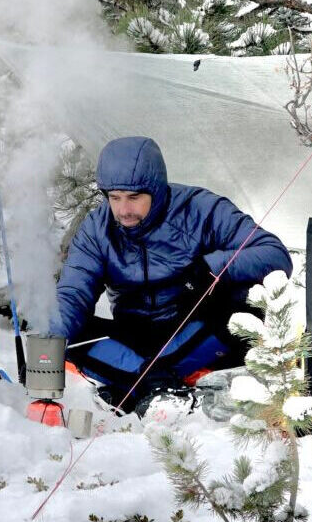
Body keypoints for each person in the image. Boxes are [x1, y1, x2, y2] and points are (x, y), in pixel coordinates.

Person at [49, 136, 292, 413]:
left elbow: (275, 254)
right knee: (69, 337)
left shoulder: (199, 209)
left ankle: (132, 380)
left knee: (244, 303)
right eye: (115, 198)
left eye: (134, 198)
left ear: (156, 189)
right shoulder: (97, 229)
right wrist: (48, 343)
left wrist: (211, 267)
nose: (124, 210)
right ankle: (154, 380)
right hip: (133, 336)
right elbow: (73, 293)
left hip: (193, 328)